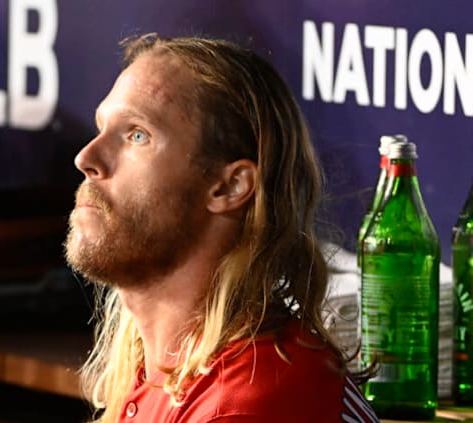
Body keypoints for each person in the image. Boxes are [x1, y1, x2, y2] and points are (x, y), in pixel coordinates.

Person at [64, 33, 379, 423]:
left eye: (137, 135)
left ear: (229, 186)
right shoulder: (167, 366)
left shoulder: (248, 401)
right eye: (102, 127)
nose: (86, 157)